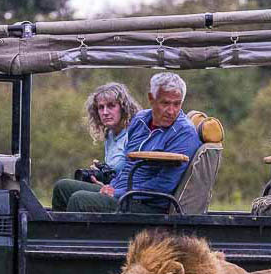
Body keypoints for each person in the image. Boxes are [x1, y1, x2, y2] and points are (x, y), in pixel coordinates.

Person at [52, 72, 200, 213]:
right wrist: (111, 186)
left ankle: (75, 239)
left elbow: (164, 184)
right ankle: (54, 238)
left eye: (177, 104)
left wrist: (118, 192)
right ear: (151, 99)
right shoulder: (140, 120)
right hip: (124, 192)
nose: (171, 111)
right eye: (165, 103)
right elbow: (128, 166)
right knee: (62, 187)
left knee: (80, 200)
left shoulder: (183, 132)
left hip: (148, 204)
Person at [80, 82, 141, 182]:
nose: (105, 112)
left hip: (125, 192)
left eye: (111, 106)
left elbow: (133, 174)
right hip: (109, 187)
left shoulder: (134, 133)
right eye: (101, 107)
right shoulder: (109, 134)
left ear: (123, 108)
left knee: (65, 187)